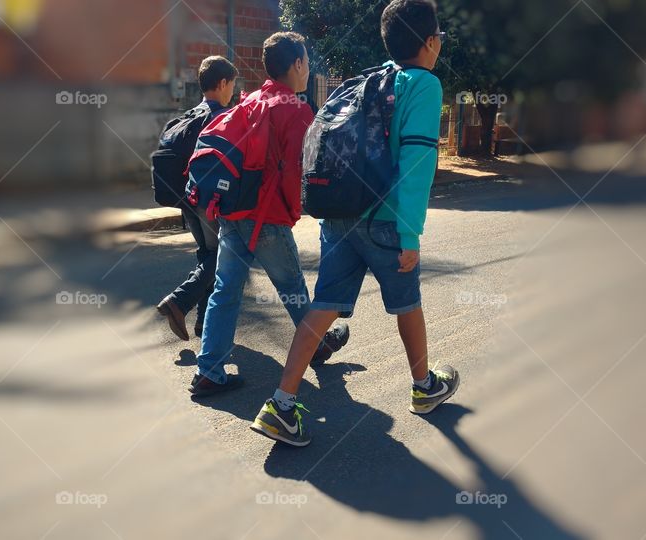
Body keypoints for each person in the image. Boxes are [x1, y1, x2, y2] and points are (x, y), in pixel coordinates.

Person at [250, 0, 459, 446]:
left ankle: (280, 405)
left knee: (323, 306)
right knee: (407, 303)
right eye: (439, 36)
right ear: (430, 42)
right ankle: (424, 387)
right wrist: (409, 234)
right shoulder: (423, 84)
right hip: (386, 220)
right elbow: (417, 164)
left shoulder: (371, 79)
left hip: (340, 215)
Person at [190, 32, 350, 398]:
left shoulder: (249, 100)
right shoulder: (296, 109)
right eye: (306, 62)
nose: (308, 69)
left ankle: (209, 371)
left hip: (232, 213)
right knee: (293, 289)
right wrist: (297, 211)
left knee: (225, 291)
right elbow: (299, 171)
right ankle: (316, 345)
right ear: (297, 64)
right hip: (267, 219)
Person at [157, 56, 238, 341]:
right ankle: (178, 302)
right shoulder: (222, 118)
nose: (233, 91)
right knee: (222, 257)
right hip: (210, 202)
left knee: (208, 255)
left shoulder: (189, 116)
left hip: (186, 199)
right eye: (232, 85)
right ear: (223, 83)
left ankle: (204, 324)